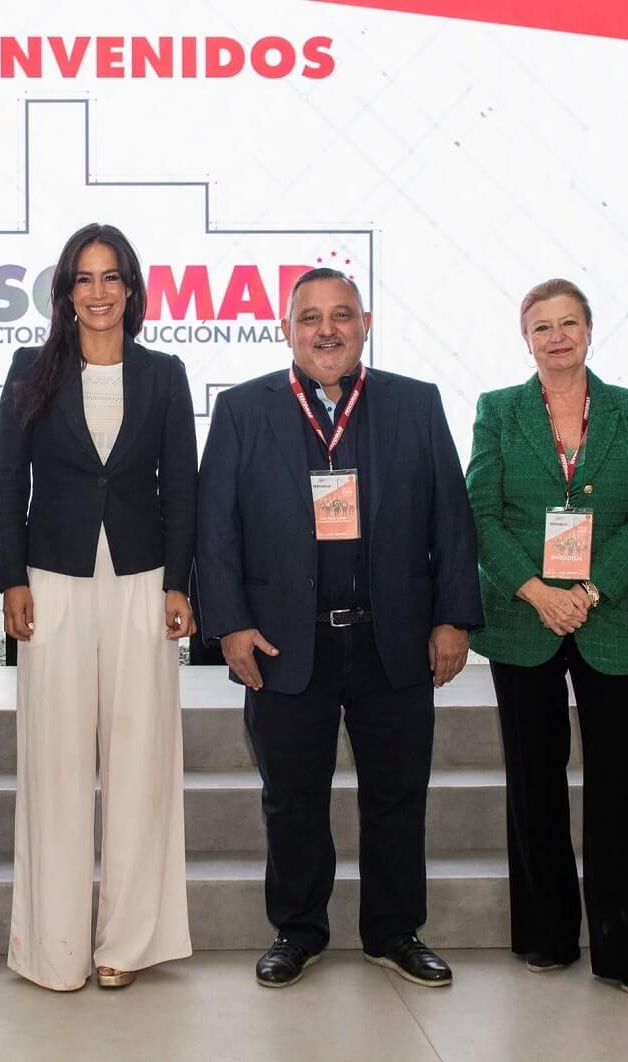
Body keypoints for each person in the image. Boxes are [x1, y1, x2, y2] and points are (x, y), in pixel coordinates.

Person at [196, 267, 482, 990]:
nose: (327, 329)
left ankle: (393, 931)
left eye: (341, 315)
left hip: (395, 641)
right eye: (310, 317)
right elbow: (215, 532)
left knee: (396, 796)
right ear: (284, 330)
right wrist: (229, 627)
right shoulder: (242, 409)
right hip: (284, 644)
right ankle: (297, 930)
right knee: (291, 799)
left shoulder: (413, 405)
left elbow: (451, 518)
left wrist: (452, 617)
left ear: (365, 323)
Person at [0, 223, 196, 991]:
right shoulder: (29, 369)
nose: (98, 292)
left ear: (133, 289)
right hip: (53, 580)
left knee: (141, 760)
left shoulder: (164, 374)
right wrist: (10, 578)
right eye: (83, 278)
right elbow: (11, 482)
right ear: (64, 293)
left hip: (142, 581)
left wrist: (180, 581)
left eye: (111, 277)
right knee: (53, 762)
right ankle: (51, 949)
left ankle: (127, 943)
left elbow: (182, 484)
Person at [464, 278, 628, 1001]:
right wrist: (536, 592)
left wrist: (586, 592)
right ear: (525, 338)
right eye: (541, 326)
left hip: (604, 616)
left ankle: (625, 948)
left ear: (588, 330)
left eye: (568, 323)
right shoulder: (498, 411)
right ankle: (546, 934)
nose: (556, 337)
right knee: (533, 778)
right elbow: (480, 514)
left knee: (614, 781)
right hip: (523, 619)